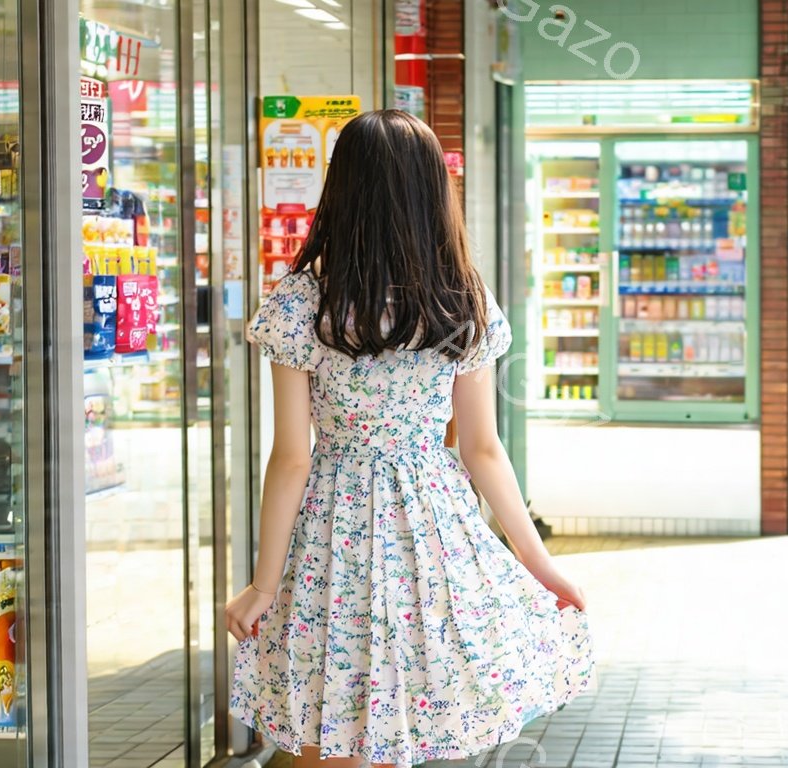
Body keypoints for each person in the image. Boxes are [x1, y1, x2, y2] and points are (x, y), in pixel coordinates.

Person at [225, 110, 594, 768]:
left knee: (329, 722)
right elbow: (482, 449)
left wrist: (262, 584)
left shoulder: (303, 302)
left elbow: (290, 458)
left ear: (341, 190)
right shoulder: (459, 299)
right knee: (403, 724)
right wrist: (541, 568)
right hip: (434, 536)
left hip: (330, 538)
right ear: (432, 193)